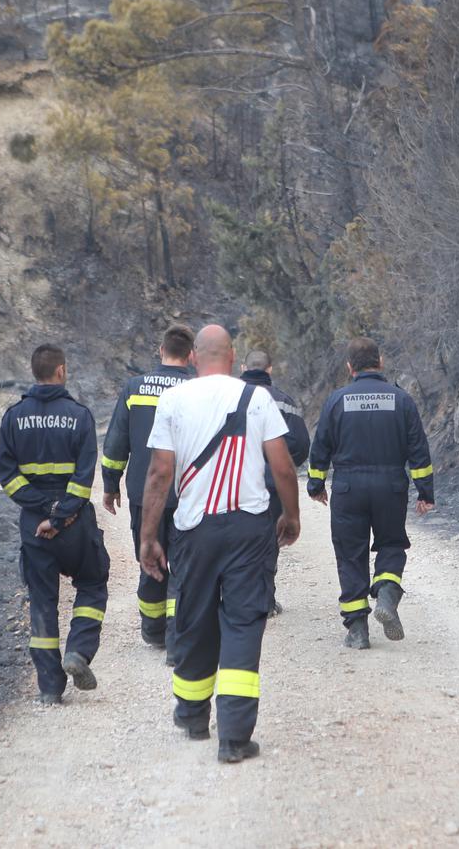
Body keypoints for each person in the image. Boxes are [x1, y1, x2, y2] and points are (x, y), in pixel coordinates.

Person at [139, 325, 301, 764]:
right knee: (244, 621)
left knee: (194, 617)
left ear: (194, 357)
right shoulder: (257, 398)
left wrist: (149, 537)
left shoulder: (173, 400)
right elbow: (283, 468)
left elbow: (159, 475)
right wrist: (291, 515)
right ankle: (233, 737)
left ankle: (192, 716)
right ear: (231, 357)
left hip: (194, 531)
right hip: (249, 530)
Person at [0, 344, 109, 704]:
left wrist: (42, 510)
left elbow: (7, 475)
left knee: (43, 602)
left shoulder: (14, 417)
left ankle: (49, 689)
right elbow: (84, 475)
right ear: (60, 371)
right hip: (74, 525)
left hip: (34, 527)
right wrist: (61, 514)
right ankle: (78, 651)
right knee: (91, 584)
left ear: (35, 372)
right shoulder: (80, 416)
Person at [307, 337, 434, 650]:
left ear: (350, 367)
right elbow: (418, 449)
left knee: (351, 554)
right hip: (390, 487)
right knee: (391, 543)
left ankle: (358, 630)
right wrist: (425, 492)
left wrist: (315, 484)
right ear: (381, 363)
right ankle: (388, 594)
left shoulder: (337, 400)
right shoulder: (401, 400)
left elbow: (320, 446)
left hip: (349, 489)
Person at [100, 325, 195, 660]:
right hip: (188, 495)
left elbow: (115, 444)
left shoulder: (134, 388)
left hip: (144, 495)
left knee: (150, 558)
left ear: (160, 350)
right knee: (182, 566)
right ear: (191, 355)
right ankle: (176, 636)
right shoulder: (197, 390)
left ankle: (154, 630)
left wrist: (110, 485)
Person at [239, 349, 310, 617]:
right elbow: (301, 444)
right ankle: (266, 602)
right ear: (269, 370)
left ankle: (235, 599)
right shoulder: (283, 401)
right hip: (271, 486)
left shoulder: (227, 396)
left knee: (237, 541)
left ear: (244, 366)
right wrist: (281, 464)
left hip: (233, 483)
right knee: (268, 543)